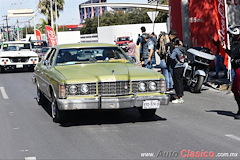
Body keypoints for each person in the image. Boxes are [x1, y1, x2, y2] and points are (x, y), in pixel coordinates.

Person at [222, 25, 240, 119]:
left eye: (233, 34)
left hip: (239, 69)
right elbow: (233, 55)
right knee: (235, 90)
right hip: (235, 68)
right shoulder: (235, 42)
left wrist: (236, 61)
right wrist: (225, 49)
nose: (231, 36)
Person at [170, 39, 186, 104]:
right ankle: (180, 95)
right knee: (180, 82)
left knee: (177, 82)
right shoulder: (182, 49)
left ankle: (179, 97)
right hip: (182, 66)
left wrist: (176, 61)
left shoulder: (175, 50)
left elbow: (172, 57)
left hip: (177, 67)